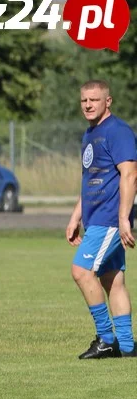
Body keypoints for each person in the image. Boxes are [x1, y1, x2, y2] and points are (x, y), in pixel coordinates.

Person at [66, 79, 137, 359]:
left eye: (94, 100)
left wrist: (123, 218)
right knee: (112, 280)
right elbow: (91, 180)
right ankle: (129, 348)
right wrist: (75, 218)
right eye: (84, 100)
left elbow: (130, 175)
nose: (88, 105)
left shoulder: (117, 131)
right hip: (96, 218)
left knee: (81, 272)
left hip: (109, 219)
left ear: (108, 101)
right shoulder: (90, 134)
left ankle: (107, 339)